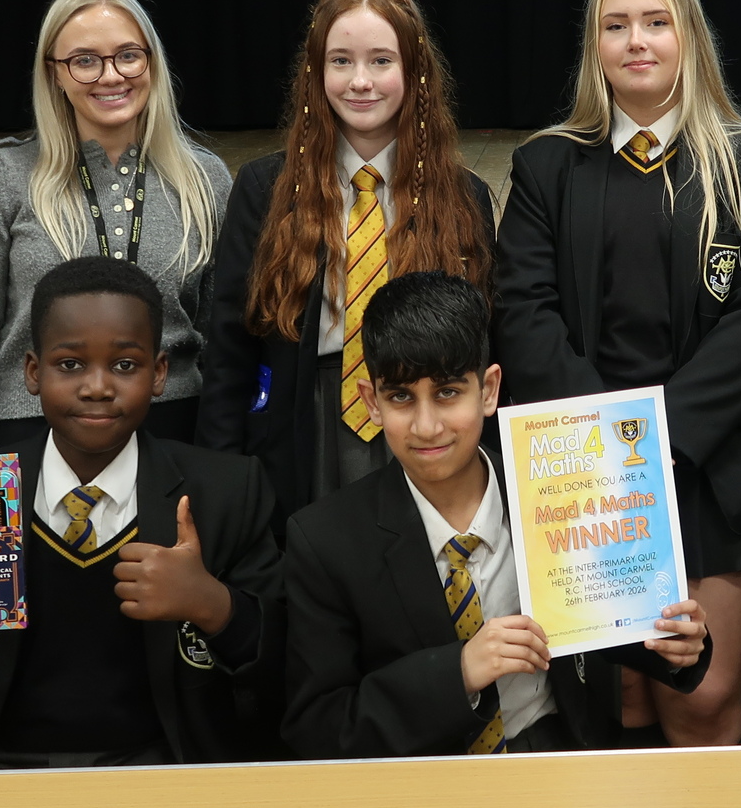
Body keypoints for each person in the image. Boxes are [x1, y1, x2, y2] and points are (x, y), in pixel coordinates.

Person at [494, 0, 741, 748]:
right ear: (594, 46)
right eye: (617, 24)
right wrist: (612, 451)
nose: (637, 40)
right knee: (618, 696)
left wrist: (659, 442)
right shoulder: (545, 165)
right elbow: (524, 312)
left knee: (701, 696)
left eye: (656, 22)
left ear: (687, 36)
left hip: (709, 465)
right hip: (591, 480)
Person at [283, 271, 710, 758]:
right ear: (371, 402)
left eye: (447, 392)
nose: (427, 425)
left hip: (554, 749)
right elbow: (317, 728)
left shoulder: (561, 493)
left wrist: (678, 644)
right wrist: (459, 672)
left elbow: (614, 619)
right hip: (417, 778)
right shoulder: (326, 541)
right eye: (401, 396)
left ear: (488, 390)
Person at [0, 257, 282, 769]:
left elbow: (283, 669)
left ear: (160, 373)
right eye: (70, 364)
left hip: (162, 767)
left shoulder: (224, 492)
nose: (97, 386)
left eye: (125, 365)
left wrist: (213, 604)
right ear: (33, 372)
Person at [196, 0, 495, 528]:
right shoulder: (265, 190)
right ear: (316, 71)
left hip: (420, 419)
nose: (360, 81)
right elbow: (229, 351)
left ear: (414, 71)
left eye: (381, 61)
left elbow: (480, 343)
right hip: (305, 420)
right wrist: (218, 484)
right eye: (341, 61)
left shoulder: (463, 197)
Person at [0, 0, 229, 455]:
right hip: (30, 431)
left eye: (128, 56)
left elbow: (224, 338)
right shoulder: (5, 178)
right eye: (85, 60)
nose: (111, 76)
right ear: (54, 72)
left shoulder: (205, 180)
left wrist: (221, 460)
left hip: (173, 432)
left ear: (152, 62)